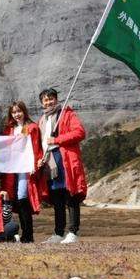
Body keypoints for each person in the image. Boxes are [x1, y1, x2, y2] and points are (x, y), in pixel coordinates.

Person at [36, 88, 87, 244]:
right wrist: (39, 159)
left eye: (51, 98)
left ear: (57, 99)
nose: (49, 101)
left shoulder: (67, 114)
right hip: (50, 164)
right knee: (57, 198)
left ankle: (73, 232)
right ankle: (58, 233)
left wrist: (57, 139)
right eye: (45, 99)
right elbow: (41, 144)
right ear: (42, 103)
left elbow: (80, 133)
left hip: (66, 161)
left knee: (70, 195)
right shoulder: (42, 120)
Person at [2, 101, 45, 243]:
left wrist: (35, 164)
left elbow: (36, 147)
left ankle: (28, 234)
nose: (16, 114)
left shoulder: (32, 127)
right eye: (14, 112)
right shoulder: (9, 129)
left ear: (24, 111)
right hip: (12, 169)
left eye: (19, 111)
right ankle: (24, 234)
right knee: (14, 200)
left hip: (25, 168)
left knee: (22, 198)